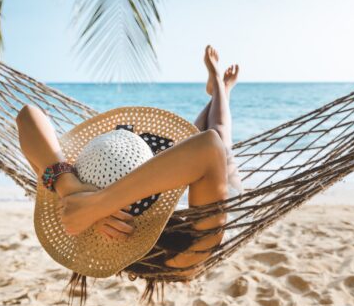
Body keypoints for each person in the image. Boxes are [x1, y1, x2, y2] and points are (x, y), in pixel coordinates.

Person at [16, 45, 241, 275]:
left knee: (197, 132)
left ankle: (218, 90)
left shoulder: (72, 211)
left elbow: (27, 115)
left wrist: (69, 187)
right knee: (220, 133)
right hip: (221, 202)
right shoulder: (187, 255)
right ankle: (222, 89)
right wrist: (98, 205)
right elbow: (210, 145)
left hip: (175, 176)